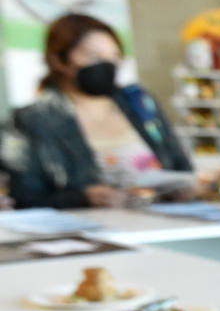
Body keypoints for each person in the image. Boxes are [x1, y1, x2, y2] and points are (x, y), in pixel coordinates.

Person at [7, 13, 195, 209]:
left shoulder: (141, 104)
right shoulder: (32, 120)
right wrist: (82, 198)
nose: (108, 65)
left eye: (114, 56)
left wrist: (187, 189)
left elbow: (182, 169)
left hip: (164, 223)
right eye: (94, 57)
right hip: (91, 231)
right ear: (59, 61)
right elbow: (24, 198)